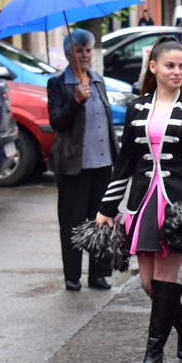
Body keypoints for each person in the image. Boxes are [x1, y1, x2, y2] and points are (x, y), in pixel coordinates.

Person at [96, 39, 182, 363]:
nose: (177, 72)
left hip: (180, 207)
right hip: (143, 202)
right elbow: (125, 162)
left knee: (165, 280)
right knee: (149, 284)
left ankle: (153, 357)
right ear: (153, 67)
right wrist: (107, 208)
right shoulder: (137, 108)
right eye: (170, 66)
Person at [47, 28, 120, 292]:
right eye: (80, 50)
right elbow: (56, 122)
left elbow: (107, 123)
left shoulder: (97, 80)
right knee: (72, 222)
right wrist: (76, 101)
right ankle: (73, 275)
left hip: (102, 164)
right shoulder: (58, 84)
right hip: (73, 166)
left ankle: (99, 274)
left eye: (88, 49)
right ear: (69, 54)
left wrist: (118, 157)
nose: (85, 54)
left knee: (101, 220)